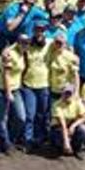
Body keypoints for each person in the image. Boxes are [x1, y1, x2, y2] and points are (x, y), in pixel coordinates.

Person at [21, 22, 52, 151]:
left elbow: (65, 46)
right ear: (34, 31)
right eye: (37, 30)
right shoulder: (28, 43)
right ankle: (28, 139)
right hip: (29, 84)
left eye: (42, 30)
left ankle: (40, 138)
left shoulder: (50, 43)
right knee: (30, 114)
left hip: (44, 83)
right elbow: (15, 48)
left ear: (45, 31)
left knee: (42, 114)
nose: (39, 32)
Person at [0, 35, 28, 153]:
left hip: (16, 89)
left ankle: (9, 140)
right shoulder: (10, 54)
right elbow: (6, 74)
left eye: (27, 42)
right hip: (3, 89)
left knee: (21, 117)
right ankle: (5, 143)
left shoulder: (23, 52)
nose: (25, 44)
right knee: (2, 118)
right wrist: (8, 92)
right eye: (22, 42)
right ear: (17, 42)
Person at [50, 84, 85, 160]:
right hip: (59, 127)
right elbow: (62, 124)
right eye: (66, 93)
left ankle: (77, 148)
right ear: (62, 93)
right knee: (57, 137)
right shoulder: (56, 105)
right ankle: (62, 147)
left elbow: (84, 117)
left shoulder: (77, 102)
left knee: (83, 129)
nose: (68, 96)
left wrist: (73, 126)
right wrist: (66, 142)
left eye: (70, 93)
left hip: (71, 124)